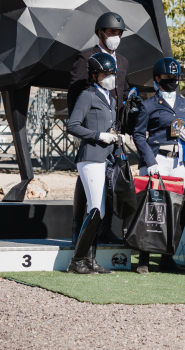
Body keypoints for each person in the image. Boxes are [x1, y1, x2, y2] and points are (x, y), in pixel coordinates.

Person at [68, 12, 131, 246]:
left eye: (119, 33)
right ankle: (78, 227)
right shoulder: (85, 57)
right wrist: (84, 129)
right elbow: (75, 93)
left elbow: (122, 91)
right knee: (87, 178)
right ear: (100, 33)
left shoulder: (123, 61)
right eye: (112, 32)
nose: (116, 37)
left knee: (110, 179)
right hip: (90, 126)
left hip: (114, 129)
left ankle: (105, 229)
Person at [132, 57, 185, 274]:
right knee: (152, 208)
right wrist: (149, 161)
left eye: (175, 77)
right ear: (157, 79)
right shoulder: (148, 104)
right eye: (168, 78)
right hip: (157, 159)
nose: (172, 81)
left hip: (178, 161)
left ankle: (167, 257)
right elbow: (138, 134)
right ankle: (143, 256)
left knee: (174, 208)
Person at [65, 52, 119, 274]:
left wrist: (116, 136)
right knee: (96, 209)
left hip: (104, 158)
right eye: (105, 74)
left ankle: (90, 260)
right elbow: (72, 125)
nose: (110, 77)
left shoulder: (112, 99)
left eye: (112, 73)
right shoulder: (87, 95)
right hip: (90, 157)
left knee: (98, 211)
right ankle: (77, 261)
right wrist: (98, 135)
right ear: (95, 75)